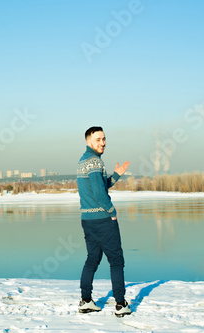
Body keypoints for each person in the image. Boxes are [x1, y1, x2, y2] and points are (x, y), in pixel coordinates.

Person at [77, 126, 131, 317]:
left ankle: (85, 300)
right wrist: (112, 211)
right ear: (88, 141)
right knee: (116, 261)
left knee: (92, 259)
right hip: (102, 219)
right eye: (98, 139)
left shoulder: (84, 161)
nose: (102, 143)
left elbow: (98, 186)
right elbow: (100, 193)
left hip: (88, 220)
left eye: (104, 139)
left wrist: (115, 176)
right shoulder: (95, 162)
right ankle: (120, 304)